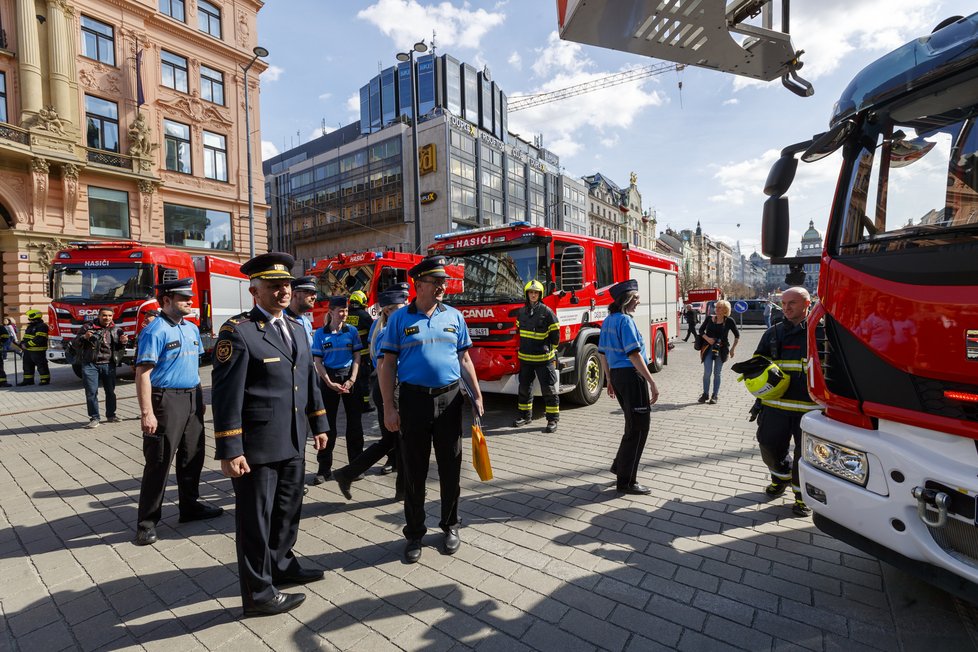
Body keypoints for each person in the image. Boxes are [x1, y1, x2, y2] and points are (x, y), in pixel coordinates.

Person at [211, 252, 330, 617]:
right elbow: (226, 394)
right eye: (274, 286)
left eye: (287, 285)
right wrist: (231, 448)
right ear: (255, 290)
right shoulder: (239, 331)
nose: (283, 291)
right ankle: (259, 594)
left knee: (287, 511)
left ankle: (281, 565)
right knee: (255, 521)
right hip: (258, 446)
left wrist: (320, 422)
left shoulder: (295, 327)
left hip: (293, 438)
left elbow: (307, 378)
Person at [379, 255, 483, 563]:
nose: (442, 286)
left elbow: (464, 359)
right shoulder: (399, 319)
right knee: (415, 471)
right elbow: (388, 365)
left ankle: (450, 525)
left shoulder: (454, 316)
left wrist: (476, 394)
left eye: (443, 282)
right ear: (418, 284)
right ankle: (414, 533)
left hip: (450, 400)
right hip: (413, 401)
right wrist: (388, 407)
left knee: (451, 468)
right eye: (436, 282)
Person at [134, 279, 222, 546]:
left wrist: (198, 398)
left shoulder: (191, 329)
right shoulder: (155, 330)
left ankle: (190, 506)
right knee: (159, 461)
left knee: (193, 456)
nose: (190, 302)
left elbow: (194, 366)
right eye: (184, 298)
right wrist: (146, 413)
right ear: (167, 300)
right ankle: (146, 523)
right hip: (165, 400)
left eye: (190, 297)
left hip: (191, 397)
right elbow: (143, 374)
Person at [332, 286, 408, 502]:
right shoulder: (387, 331)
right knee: (398, 441)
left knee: (392, 441)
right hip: (391, 390)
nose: (405, 313)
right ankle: (402, 489)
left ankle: (347, 474)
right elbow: (387, 367)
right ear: (389, 311)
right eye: (401, 309)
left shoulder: (379, 326)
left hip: (387, 390)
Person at [754, 286, 820, 517]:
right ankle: (780, 477)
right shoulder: (772, 333)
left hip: (810, 410)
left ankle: (802, 497)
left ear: (807, 304)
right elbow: (759, 361)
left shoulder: (820, 332)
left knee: (806, 457)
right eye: (783, 303)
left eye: (792, 303)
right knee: (768, 445)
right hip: (775, 405)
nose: (786, 308)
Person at [598, 279, 660, 496]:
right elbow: (633, 355)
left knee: (631, 424)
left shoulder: (608, 321)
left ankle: (619, 465)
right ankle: (627, 481)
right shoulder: (625, 321)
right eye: (635, 299)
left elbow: (603, 354)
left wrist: (609, 380)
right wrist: (651, 382)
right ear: (625, 300)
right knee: (639, 428)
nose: (638, 302)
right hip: (632, 377)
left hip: (618, 376)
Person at [309, 295, 364, 485]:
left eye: (346, 310)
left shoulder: (352, 331)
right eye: (340, 311)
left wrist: (352, 380)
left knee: (355, 424)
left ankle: (355, 466)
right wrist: (328, 382)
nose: (344, 314)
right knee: (327, 425)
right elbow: (317, 361)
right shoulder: (320, 334)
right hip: (329, 379)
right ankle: (324, 469)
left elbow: (357, 357)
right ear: (330, 312)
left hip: (350, 378)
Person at [512, 280, 560, 433]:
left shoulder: (547, 312)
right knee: (524, 388)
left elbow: (555, 334)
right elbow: (519, 332)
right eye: (531, 292)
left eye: (536, 293)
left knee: (549, 390)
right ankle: (525, 416)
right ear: (527, 294)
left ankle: (552, 419)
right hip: (525, 358)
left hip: (543, 359)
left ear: (540, 295)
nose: (533, 295)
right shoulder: (521, 312)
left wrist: (550, 349)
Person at [74, 308, 128, 427]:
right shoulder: (87, 327)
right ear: (98, 316)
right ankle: (94, 418)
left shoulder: (117, 329)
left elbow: (119, 348)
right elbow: (75, 343)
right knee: (91, 392)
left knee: (110, 392)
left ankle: (111, 415)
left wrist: (123, 342)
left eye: (109, 316)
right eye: (104, 315)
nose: (107, 318)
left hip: (109, 364)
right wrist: (84, 337)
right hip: (90, 364)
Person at [697, 300, 739, 405]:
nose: (717, 309)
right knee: (707, 372)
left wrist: (733, 349)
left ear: (725, 310)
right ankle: (705, 394)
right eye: (716, 307)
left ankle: (715, 395)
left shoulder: (729, 321)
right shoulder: (709, 319)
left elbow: (737, 335)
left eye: (720, 307)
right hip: (708, 348)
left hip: (721, 349)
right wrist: (708, 338)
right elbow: (701, 331)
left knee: (717, 373)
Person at [346, 290, 375, 414]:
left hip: (350, 354)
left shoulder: (346, 315)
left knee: (353, 378)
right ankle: (365, 404)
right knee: (364, 380)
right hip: (363, 355)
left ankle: (353, 402)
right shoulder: (364, 315)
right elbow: (374, 332)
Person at [19, 309, 50, 386]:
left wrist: (26, 345)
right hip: (28, 351)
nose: (29, 319)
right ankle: (28, 380)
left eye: (30, 317)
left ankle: (44, 379)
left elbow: (39, 338)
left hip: (38, 351)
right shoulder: (30, 326)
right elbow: (26, 337)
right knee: (27, 366)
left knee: (41, 366)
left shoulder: (42, 326)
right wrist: (22, 343)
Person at [286, 276, 318, 346]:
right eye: (309, 292)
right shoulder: (281, 319)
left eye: (315, 293)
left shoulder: (307, 322)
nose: (314, 297)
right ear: (294, 294)